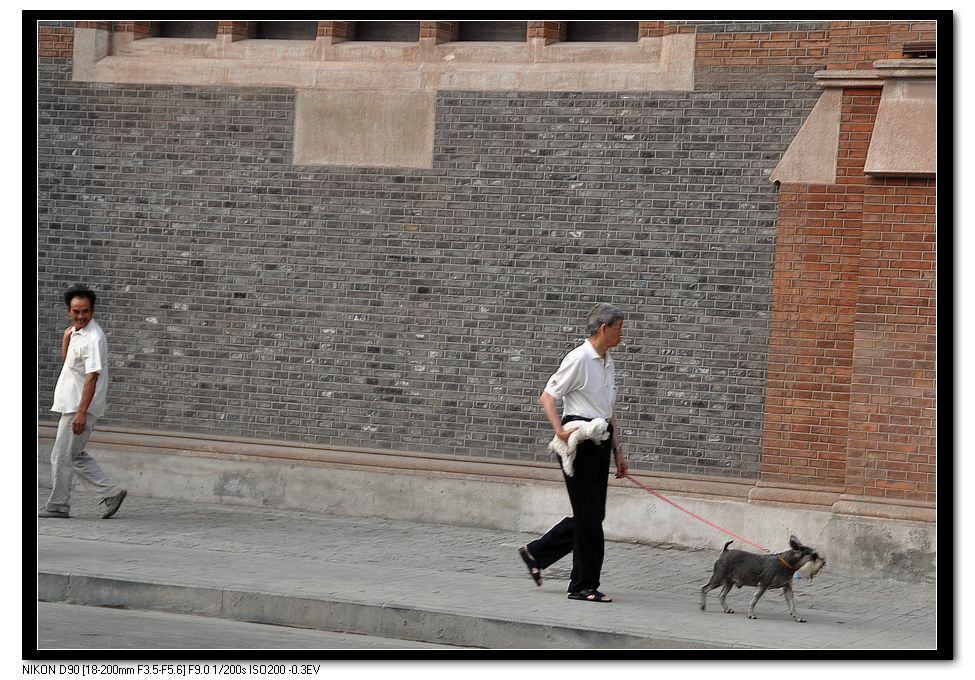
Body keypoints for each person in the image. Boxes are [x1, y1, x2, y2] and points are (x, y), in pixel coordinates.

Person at [518, 303, 628, 602]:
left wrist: (618, 451)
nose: (622, 334)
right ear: (603, 328)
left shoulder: (607, 360)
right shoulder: (579, 358)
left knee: (593, 514)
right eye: (619, 328)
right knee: (590, 518)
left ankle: (536, 553)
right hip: (577, 441)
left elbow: (608, 410)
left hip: (601, 438)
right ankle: (582, 585)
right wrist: (559, 431)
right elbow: (547, 396)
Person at [39, 285, 127, 519]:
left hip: (79, 407)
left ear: (93, 310)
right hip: (72, 404)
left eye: (85, 311)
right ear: (68, 310)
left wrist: (81, 412)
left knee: (63, 456)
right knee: (72, 455)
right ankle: (109, 492)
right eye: (76, 311)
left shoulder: (93, 338)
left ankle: (60, 505)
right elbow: (69, 362)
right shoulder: (77, 333)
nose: (80, 316)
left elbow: (92, 377)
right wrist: (66, 338)